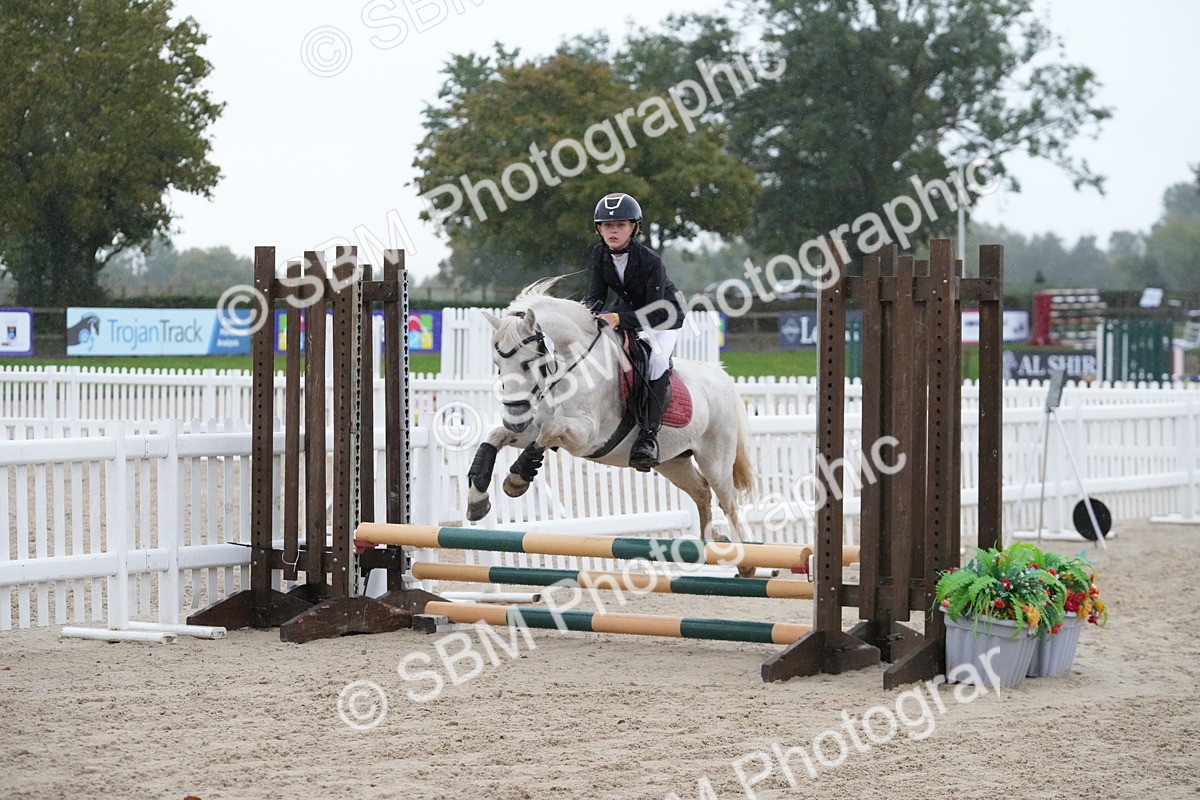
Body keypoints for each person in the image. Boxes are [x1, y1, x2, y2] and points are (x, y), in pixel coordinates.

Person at [582, 192, 686, 469]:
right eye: (606, 225)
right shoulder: (599, 254)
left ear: (635, 228)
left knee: (657, 360)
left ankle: (648, 436)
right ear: (599, 229)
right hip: (626, 309)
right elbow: (595, 296)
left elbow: (652, 310)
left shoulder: (650, 260)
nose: (612, 231)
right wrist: (585, 314)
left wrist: (616, 317)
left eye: (620, 225)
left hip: (663, 316)